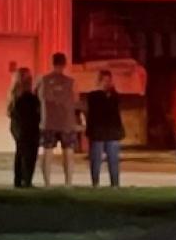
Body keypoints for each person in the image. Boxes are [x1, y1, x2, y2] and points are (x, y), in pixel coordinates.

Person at [36, 52, 79, 187]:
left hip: (48, 122)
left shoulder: (43, 80)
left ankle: (47, 183)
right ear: (65, 64)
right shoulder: (71, 82)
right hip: (67, 122)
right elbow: (76, 100)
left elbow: (39, 97)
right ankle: (68, 183)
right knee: (68, 152)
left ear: (52, 63)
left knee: (47, 152)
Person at [84, 69, 126, 188]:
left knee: (113, 159)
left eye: (109, 80)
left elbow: (117, 104)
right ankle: (95, 183)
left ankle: (115, 183)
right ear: (99, 81)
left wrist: (112, 91)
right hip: (98, 131)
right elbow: (94, 110)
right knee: (96, 159)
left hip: (112, 131)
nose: (107, 83)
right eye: (104, 80)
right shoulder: (93, 96)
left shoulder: (114, 96)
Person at [7, 67, 41, 189]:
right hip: (29, 126)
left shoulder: (14, 94)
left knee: (20, 152)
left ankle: (18, 180)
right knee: (30, 154)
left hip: (18, 127)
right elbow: (35, 110)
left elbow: (11, 112)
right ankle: (27, 180)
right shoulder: (28, 96)